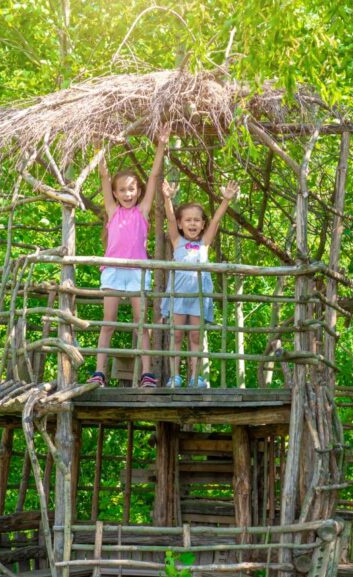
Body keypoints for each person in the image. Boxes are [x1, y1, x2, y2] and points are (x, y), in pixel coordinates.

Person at [87, 128, 169, 388]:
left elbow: (154, 176)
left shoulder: (142, 212)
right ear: (115, 193)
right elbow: (104, 174)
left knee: (141, 325)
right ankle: (99, 373)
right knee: (108, 323)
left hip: (137, 272)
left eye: (132, 189)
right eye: (122, 190)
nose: (127, 194)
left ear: (138, 190)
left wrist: (162, 146)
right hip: (112, 270)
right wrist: (99, 148)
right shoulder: (112, 211)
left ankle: (147, 374)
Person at [159, 179, 239, 388]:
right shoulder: (177, 241)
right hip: (178, 295)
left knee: (195, 335)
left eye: (197, 220)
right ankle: (175, 376)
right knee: (176, 335)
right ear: (180, 223)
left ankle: (195, 377)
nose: (193, 224)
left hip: (199, 296)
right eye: (188, 220)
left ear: (202, 224)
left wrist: (225, 200)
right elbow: (168, 218)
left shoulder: (204, 243)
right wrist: (168, 198)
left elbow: (216, 221)